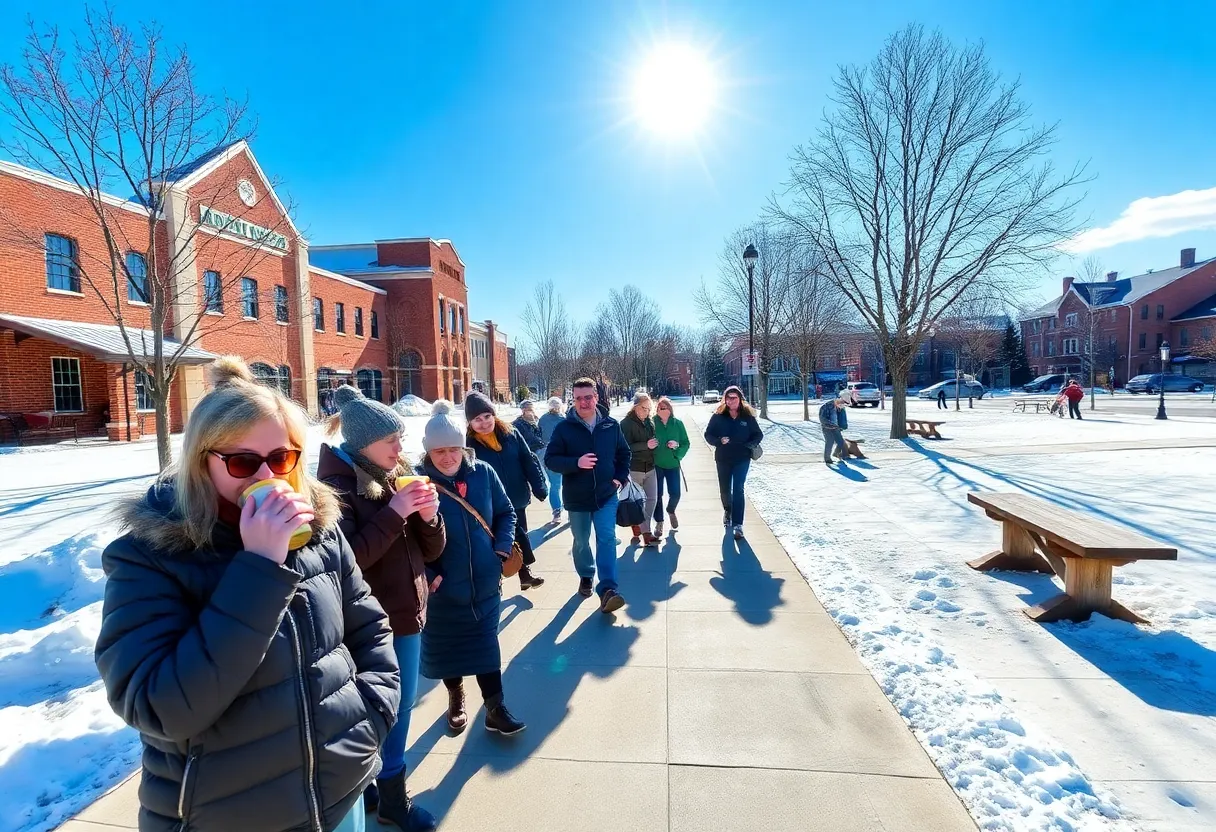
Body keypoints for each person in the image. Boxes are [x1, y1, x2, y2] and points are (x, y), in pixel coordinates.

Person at [95, 356, 397, 832]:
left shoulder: (318, 531)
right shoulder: (149, 557)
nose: (266, 478)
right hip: (222, 815)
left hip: (340, 799)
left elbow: (370, 628)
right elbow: (157, 707)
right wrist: (258, 569)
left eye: (280, 459)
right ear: (201, 462)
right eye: (242, 462)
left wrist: (370, 716)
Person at [318, 385, 444, 832]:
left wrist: (429, 518)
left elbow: (431, 550)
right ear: (363, 443)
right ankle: (392, 797)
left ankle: (374, 782)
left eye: (400, 438)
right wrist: (395, 512)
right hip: (369, 619)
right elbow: (347, 558)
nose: (400, 447)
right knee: (394, 705)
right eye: (391, 440)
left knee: (391, 704)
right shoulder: (337, 488)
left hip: (407, 610)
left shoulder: (396, 476)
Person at [419, 400, 526, 736]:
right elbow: (406, 538)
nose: (447, 457)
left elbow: (506, 512)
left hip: (484, 581)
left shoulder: (483, 473)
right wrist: (429, 574)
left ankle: (495, 708)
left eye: (453, 449)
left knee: (485, 645)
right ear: (428, 453)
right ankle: (455, 695)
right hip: (443, 589)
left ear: (463, 447)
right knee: (448, 647)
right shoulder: (416, 483)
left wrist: (500, 549)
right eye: (439, 452)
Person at [545, 377, 631, 612]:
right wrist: (576, 462)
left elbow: (624, 454)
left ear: (597, 397)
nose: (583, 402)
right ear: (573, 400)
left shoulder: (610, 425)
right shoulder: (564, 428)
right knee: (581, 541)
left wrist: (619, 478)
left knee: (606, 538)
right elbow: (550, 459)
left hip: (606, 495)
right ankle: (586, 574)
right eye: (578, 398)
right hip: (577, 498)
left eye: (588, 397)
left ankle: (608, 589)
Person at [464, 392, 547, 591]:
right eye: (477, 419)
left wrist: (539, 486)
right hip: (491, 503)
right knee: (503, 538)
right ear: (470, 422)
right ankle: (511, 576)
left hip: (517, 497)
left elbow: (528, 460)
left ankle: (523, 573)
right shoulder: (468, 445)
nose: (484, 423)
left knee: (520, 535)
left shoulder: (511, 433)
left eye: (487, 417)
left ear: (494, 415)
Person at [703, 385, 763, 540]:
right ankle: (727, 510)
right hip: (723, 458)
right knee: (724, 490)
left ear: (740, 399)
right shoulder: (718, 416)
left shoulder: (747, 417)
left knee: (738, 489)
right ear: (725, 399)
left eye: (734, 397)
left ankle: (738, 525)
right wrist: (718, 441)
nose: (731, 401)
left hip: (742, 458)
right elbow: (708, 434)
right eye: (728, 398)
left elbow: (758, 435)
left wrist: (750, 444)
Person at [621, 392, 661, 546]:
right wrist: (646, 445)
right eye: (644, 408)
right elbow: (624, 447)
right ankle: (646, 533)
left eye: (649, 408)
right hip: (634, 468)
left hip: (650, 466)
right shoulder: (626, 424)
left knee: (652, 499)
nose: (647, 411)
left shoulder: (650, 422)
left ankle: (642, 526)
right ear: (635, 407)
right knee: (637, 502)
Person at [653, 396, 690, 536]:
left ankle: (671, 510)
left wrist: (677, 449)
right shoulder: (652, 423)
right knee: (658, 495)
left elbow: (686, 443)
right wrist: (650, 445)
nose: (660, 410)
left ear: (669, 409)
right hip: (656, 464)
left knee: (675, 493)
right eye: (658, 408)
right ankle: (659, 522)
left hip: (673, 463)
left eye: (663, 408)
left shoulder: (677, 424)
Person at [538, 396, 566, 523]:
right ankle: (570, 509)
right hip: (563, 456)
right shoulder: (564, 420)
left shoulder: (543, 419)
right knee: (567, 484)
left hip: (547, 455)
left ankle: (556, 511)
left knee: (554, 485)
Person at [820, 393, 850, 465]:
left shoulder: (840, 408)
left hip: (836, 427)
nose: (842, 405)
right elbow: (822, 418)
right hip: (827, 427)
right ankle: (827, 459)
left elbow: (842, 418)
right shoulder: (826, 406)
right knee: (829, 442)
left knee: (840, 442)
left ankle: (836, 453)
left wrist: (843, 426)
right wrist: (829, 424)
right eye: (842, 402)